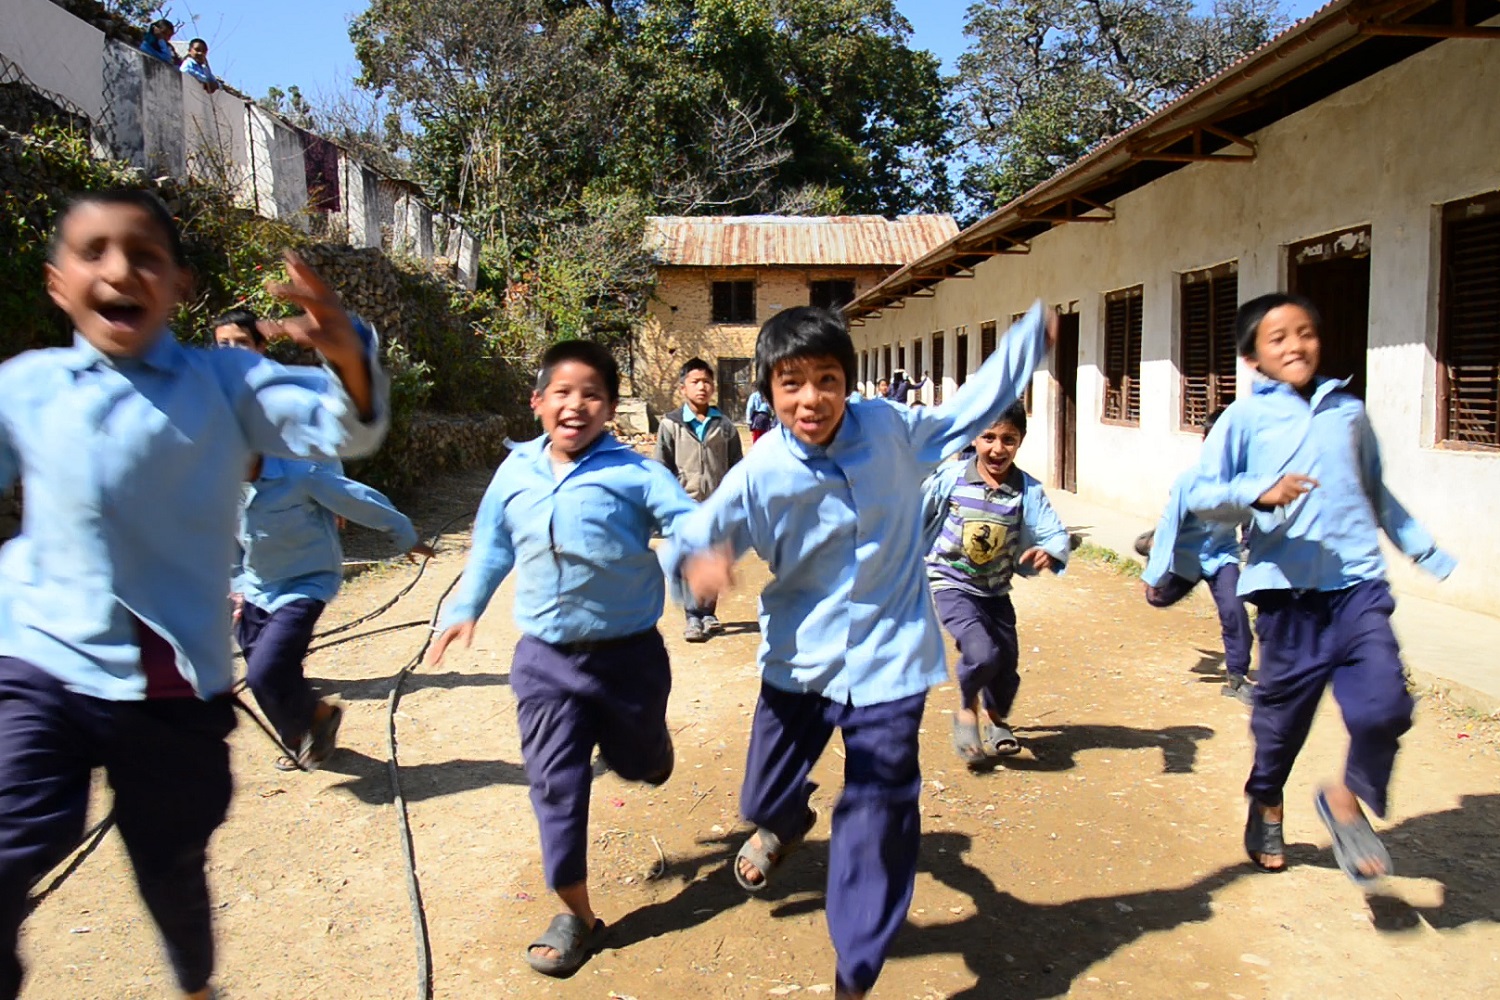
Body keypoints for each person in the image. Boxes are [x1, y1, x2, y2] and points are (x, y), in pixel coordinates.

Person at [0, 189, 387, 1000]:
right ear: (56, 283)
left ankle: (197, 983)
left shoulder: (228, 382)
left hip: (174, 678)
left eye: (145, 255)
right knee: (12, 838)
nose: (120, 270)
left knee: (171, 856)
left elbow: (343, 430)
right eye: (94, 253)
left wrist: (348, 355)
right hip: (40, 655)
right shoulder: (26, 389)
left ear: (176, 284)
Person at [666, 303, 1053, 1000]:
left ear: (848, 381)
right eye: (791, 383)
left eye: (827, 378)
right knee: (762, 794)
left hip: (891, 657)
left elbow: (971, 408)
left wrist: (1025, 342)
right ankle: (785, 820)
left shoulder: (891, 431)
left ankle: (856, 972)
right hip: (800, 663)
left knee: (879, 814)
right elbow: (701, 535)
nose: (811, 398)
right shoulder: (760, 473)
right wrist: (700, 572)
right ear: (766, 390)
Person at [426, 340, 696, 979]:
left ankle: (648, 750)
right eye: (563, 392)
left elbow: (688, 521)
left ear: (608, 408)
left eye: (592, 394)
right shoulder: (514, 473)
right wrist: (464, 606)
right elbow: (491, 545)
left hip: (629, 657)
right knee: (554, 784)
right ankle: (575, 912)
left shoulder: (634, 472)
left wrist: (699, 560)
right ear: (538, 401)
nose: (576, 405)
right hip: (544, 660)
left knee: (637, 762)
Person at [1187, 292, 1454, 886]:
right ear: (1252, 356)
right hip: (1287, 597)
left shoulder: (1348, 413)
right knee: (1281, 721)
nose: (1295, 345)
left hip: (1358, 587)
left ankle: (1346, 799)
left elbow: (1375, 490)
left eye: (1304, 332)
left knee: (1385, 704)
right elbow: (1202, 495)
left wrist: (1423, 548)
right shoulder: (1242, 420)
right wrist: (1260, 492)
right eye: (1277, 337)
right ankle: (1267, 799)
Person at [232, 423, 431, 771]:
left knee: (264, 671)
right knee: (264, 664)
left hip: (304, 584)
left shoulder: (300, 474)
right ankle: (303, 732)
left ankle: (318, 716)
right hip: (255, 587)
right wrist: (235, 587)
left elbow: (357, 499)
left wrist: (403, 533)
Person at [920, 401, 1070, 765]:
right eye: (988, 437)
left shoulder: (1026, 490)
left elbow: (1053, 531)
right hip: (950, 582)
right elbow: (914, 513)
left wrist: (1050, 552)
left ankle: (995, 719)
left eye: (1008, 439)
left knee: (1006, 665)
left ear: (1020, 441)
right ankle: (967, 710)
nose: (997, 448)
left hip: (996, 590)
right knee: (981, 652)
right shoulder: (951, 478)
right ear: (975, 438)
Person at [1140, 407, 1255, 704]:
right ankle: (1151, 548)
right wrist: (1154, 573)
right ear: (1206, 442)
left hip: (1222, 556)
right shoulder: (1189, 482)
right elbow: (1170, 527)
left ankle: (1236, 677)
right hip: (1185, 557)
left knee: (1234, 610)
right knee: (1157, 599)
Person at [653, 358, 743, 642]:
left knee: (713, 556)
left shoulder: (724, 425)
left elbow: (735, 467)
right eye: (695, 382)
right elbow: (661, 467)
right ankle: (692, 616)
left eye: (706, 382)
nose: (702, 387)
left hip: (716, 505)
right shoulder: (670, 425)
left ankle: (709, 612)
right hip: (683, 505)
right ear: (683, 388)